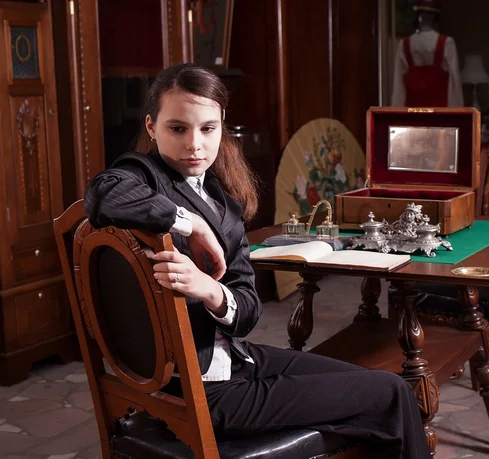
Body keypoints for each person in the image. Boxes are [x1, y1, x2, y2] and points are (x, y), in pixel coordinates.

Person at [84, 63, 431, 459]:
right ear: (151, 127)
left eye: (207, 128)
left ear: (222, 126)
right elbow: (101, 193)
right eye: (177, 128)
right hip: (203, 391)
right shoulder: (142, 174)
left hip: (239, 361)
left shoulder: (224, 202)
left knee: (387, 391)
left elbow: (247, 311)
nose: (194, 144)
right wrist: (190, 223)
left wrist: (212, 291)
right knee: (389, 396)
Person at [391, 0, 463, 107]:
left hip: (415, 117)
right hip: (438, 116)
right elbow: (454, 86)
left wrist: (397, 116)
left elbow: (398, 90)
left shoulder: (405, 45)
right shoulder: (447, 43)